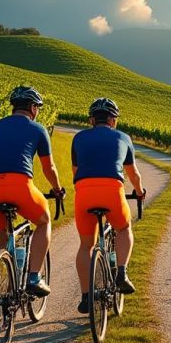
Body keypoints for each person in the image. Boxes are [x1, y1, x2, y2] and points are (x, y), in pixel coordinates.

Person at [0, 86, 64, 302]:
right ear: (33, 108)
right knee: (44, 221)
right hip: (19, 185)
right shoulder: (38, 129)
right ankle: (34, 277)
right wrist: (57, 188)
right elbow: (49, 168)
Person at [71, 97, 145, 313]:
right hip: (112, 190)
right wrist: (139, 193)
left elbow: (76, 172)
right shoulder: (123, 137)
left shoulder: (78, 138)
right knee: (123, 228)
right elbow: (133, 174)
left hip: (84, 191)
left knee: (86, 246)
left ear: (92, 120)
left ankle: (86, 297)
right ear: (113, 120)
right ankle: (121, 272)